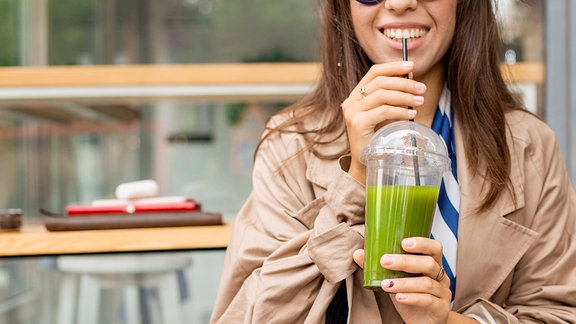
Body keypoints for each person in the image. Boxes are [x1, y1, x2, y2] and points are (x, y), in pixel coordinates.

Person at [210, 0, 576, 323]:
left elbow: (557, 313)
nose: (400, 2)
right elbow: (253, 314)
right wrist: (355, 178)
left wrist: (445, 323)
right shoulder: (289, 145)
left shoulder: (530, 147)